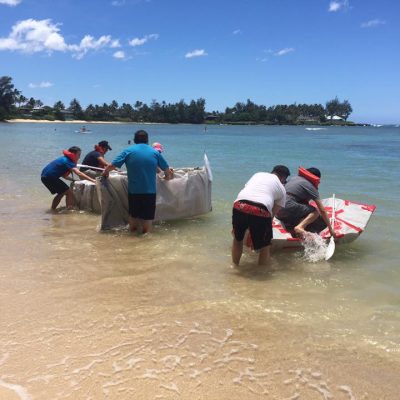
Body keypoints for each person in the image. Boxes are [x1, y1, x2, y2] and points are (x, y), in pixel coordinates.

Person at [102, 130, 173, 234]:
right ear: (147, 140)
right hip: (150, 192)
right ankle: (146, 243)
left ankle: (132, 239)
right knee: (147, 221)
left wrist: (105, 173)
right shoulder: (154, 152)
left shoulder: (128, 151)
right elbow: (166, 171)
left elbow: (112, 166)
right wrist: (166, 177)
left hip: (134, 192)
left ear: (135, 140)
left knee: (133, 217)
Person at [231, 165, 290, 266]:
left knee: (237, 239)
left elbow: (248, 192)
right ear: (283, 178)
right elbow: (271, 215)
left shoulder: (258, 175)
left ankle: (234, 266)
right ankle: (261, 273)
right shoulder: (282, 189)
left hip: (239, 205)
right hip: (261, 209)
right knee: (265, 246)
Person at [276, 167, 335, 238]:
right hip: (288, 206)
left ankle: (296, 231)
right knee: (315, 211)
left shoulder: (293, 179)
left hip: (277, 208)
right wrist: (331, 229)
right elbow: (322, 210)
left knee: (303, 209)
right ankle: (300, 227)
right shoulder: (310, 186)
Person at [41, 146, 96, 211]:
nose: (79, 157)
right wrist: (93, 180)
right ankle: (67, 210)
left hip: (44, 177)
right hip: (50, 177)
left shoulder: (64, 158)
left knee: (63, 192)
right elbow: (79, 173)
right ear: (73, 154)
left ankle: (55, 209)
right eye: (79, 155)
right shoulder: (68, 161)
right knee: (67, 192)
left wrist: (74, 180)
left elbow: (64, 176)